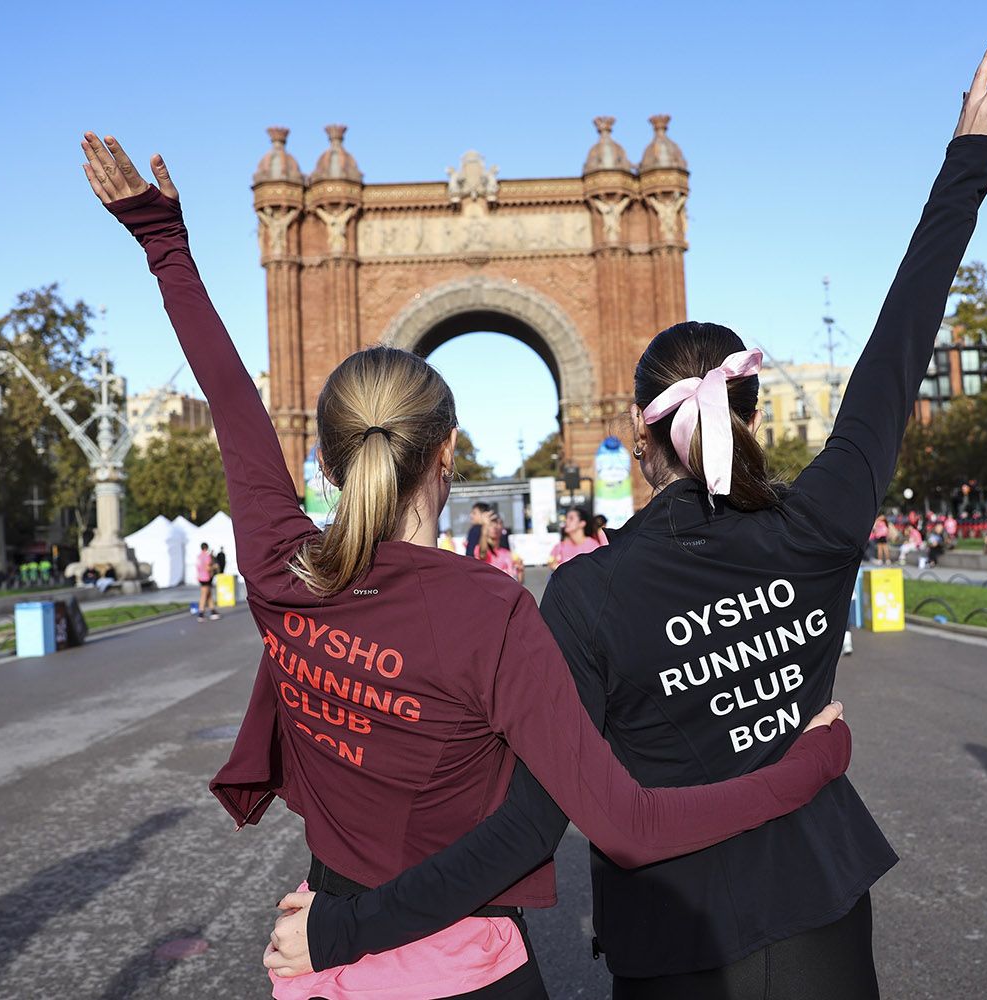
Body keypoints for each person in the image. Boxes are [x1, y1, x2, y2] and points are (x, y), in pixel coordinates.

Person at [285, 41, 987, 998]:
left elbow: (525, 823)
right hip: (827, 916)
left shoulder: (586, 596)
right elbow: (899, 349)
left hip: (673, 943)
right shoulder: (824, 525)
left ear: (638, 440)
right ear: (751, 414)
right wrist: (970, 151)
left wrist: (347, 924)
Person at [83, 130, 852, 1000]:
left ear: (328, 465)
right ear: (449, 450)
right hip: (464, 967)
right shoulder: (492, 612)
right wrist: (807, 766)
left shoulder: (277, 572)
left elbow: (235, 407)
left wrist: (165, 245)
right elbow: (624, 823)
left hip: (316, 962)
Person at [548, 506, 602, 570]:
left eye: (571, 518)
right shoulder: (559, 546)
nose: (566, 521)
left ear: (582, 523)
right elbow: (551, 563)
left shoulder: (593, 547)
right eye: (566, 518)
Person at [476, 512, 521, 581]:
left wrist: (521, 571)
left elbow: (518, 581)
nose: (495, 526)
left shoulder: (508, 553)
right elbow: (482, 554)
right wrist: (484, 527)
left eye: (498, 523)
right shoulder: (480, 549)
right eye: (491, 524)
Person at [194, 542, 218, 621]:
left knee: (209, 594)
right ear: (206, 548)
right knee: (204, 595)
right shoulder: (207, 556)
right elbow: (207, 568)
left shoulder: (199, 556)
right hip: (206, 577)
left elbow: (198, 567)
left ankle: (213, 611)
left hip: (200, 577)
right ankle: (201, 613)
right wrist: (214, 567)